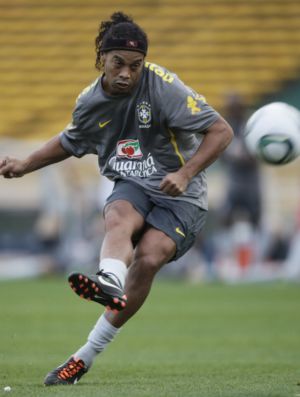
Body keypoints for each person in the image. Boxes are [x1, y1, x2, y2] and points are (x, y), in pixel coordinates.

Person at [0, 12, 233, 385]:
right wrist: (26, 164)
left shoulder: (164, 86)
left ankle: (84, 356)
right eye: (118, 64)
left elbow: (221, 131)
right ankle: (109, 279)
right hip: (132, 181)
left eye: (135, 66)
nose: (127, 73)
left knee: (150, 257)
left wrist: (186, 173)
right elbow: (70, 142)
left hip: (182, 195)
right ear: (101, 60)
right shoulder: (89, 101)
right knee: (119, 216)